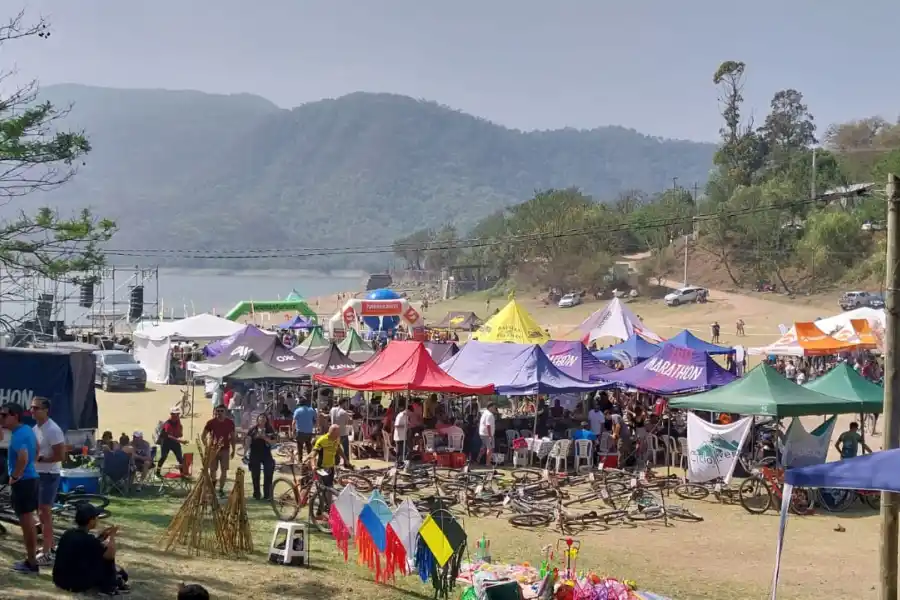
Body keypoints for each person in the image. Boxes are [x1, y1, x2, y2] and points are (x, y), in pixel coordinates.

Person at [52, 503, 130, 595]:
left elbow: (87, 548)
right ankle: (110, 587)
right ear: (91, 521)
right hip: (75, 585)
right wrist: (112, 537)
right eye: (96, 517)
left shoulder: (68, 534)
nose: (97, 519)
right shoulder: (89, 540)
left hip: (59, 580)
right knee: (119, 572)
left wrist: (101, 537)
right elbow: (109, 555)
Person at [2, 402, 40, 573]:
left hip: (23, 482)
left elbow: (23, 458)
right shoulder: (27, 430)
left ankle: (31, 562)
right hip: (30, 479)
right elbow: (37, 448)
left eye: (4, 415)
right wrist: (31, 465)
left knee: (26, 523)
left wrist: (15, 476)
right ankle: (31, 560)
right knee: (28, 521)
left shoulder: (18, 435)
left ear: (15, 416)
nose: (1, 419)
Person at [31, 396, 66, 567]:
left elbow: (61, 455)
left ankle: (46, 553)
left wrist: (41, 459)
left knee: (45, 512)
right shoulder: (35, 428)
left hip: (49, 475)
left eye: (36, 408)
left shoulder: (53, 429)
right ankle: (50, 546)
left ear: (46, 410)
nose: (32, 411)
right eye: (32, 407)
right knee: (40, 513)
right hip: (37, 474)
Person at [201, 404, 236, 496]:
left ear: (225, 412)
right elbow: (203, 436)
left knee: (224, 471)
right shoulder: (211, 422)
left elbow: (233, 437)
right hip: (213, 449)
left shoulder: (230, 423)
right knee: (213, 470)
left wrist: (234, 450)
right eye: (218, 411)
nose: (219, 413)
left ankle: (221, 489)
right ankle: (212, 487)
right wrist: (207, 447)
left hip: (225, 449)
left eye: (221, 411)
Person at [246, 413, 276, 500]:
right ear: (257, 420)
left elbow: (274, 442)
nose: (262, 420)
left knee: (268, 473)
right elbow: (248, 441)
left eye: (264, 418)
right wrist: (245, 452)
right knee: (255, 474)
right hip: (254, 454)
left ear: (266, 420)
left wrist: (264, 437)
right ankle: (257, 494)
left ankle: (267, 494)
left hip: (266, 454)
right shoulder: (252, 429)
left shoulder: (270, 429)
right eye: (260, 418)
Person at [309, 424, 347, 490]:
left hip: (331, 467)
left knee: (329, 486)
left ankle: (327, 496)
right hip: (322, 467)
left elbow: (338, 448)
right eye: (336, 434)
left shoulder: (336, 439)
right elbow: (313, 454)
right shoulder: (322, 440)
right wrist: (313, 465)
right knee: (324, 487)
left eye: (338, 433)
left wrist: (345, 459)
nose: (338, 435)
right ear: (331, 432)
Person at [156, 406, 188, 477]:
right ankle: (157, 473)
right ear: (171, 414)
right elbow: (168, 436)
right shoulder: (167, 423)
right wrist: (179, 440)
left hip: (175, 442)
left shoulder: (178, 421)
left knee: (180, 458)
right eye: (175, 414)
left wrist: (181, 434)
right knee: (163, 457)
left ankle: (182, 474)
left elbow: (179, 433)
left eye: (178, 414)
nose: (177, 416)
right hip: (165, 442)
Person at [329, 398, 353, 468]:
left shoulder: (332, 409)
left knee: (335, 448)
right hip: (342, 433)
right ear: (344, 403)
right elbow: (349, 422)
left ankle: (335, 462)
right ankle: (346, 463)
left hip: (333, 433)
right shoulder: (344, 412)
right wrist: (351, 416)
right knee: (345, 449)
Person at [292, 396, 316, 462]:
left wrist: (293, 431)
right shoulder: (311, 410)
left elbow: (293, 423)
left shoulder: (297, 410)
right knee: (309, 447)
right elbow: (314, 420)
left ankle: (300, 461)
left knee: (300, 447)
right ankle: (310, 461)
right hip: (309, 432)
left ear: (300, 404)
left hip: (300, 432)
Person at [477, 402, 497, 467]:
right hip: (487, 434)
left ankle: (478, 459)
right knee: (490, 448)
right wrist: (490, 436)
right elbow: (488, 425)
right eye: (494, 407)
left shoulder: (484, 413)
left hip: (482, 433)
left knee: (484, 447)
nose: (495, 408)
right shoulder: (490, 415)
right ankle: (488, 463)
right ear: (490, 407)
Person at [393, 401, 411, 467]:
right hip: (398, 436)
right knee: (399, 450)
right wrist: (404, 426)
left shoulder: (406, 416)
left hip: (404, 435)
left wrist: (408, 426)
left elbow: (408, 424)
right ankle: (397, 462)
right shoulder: (400, 416)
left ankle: (402, 462)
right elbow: (396, 425)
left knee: (405, 450)